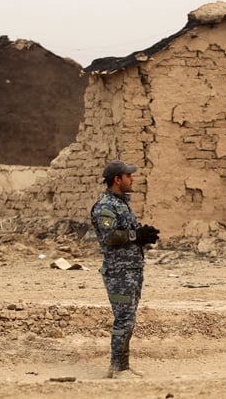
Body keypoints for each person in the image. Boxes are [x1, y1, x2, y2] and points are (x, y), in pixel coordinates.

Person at [90, 160, 160, 379]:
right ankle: (120, 368)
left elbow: (127, 234)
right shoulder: (105, 206)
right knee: (124, 319)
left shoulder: (122, 203)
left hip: (131, 269)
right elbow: (109, 236)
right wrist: (135, 236)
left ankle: (118, 365)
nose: (132, 179)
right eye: (128, 176)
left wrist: (143, 235)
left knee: (128, 318)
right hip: (119, 271)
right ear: (117, 180)